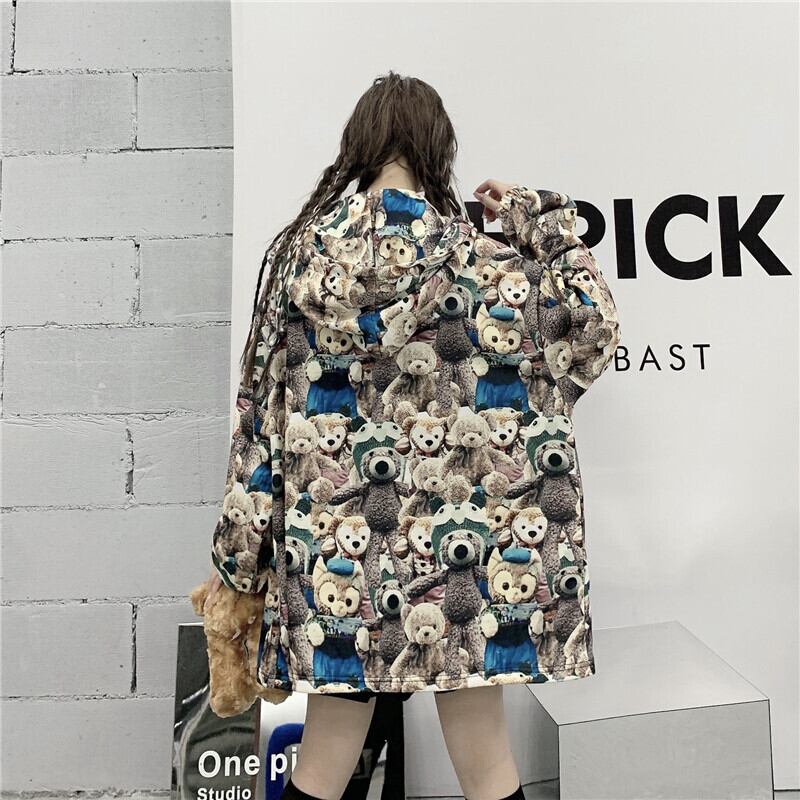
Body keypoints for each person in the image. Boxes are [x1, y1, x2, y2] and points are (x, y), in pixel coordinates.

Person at [202, 70, 621, 800]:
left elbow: (257, 426)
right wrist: (539, 220)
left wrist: (239, 565)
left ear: (357, 148)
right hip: (469, 568)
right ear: (439, 151)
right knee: (485, 756)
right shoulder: (486, 266)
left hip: (333, 564)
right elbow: (592, 330)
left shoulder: (298, 264)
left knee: (322, 760)